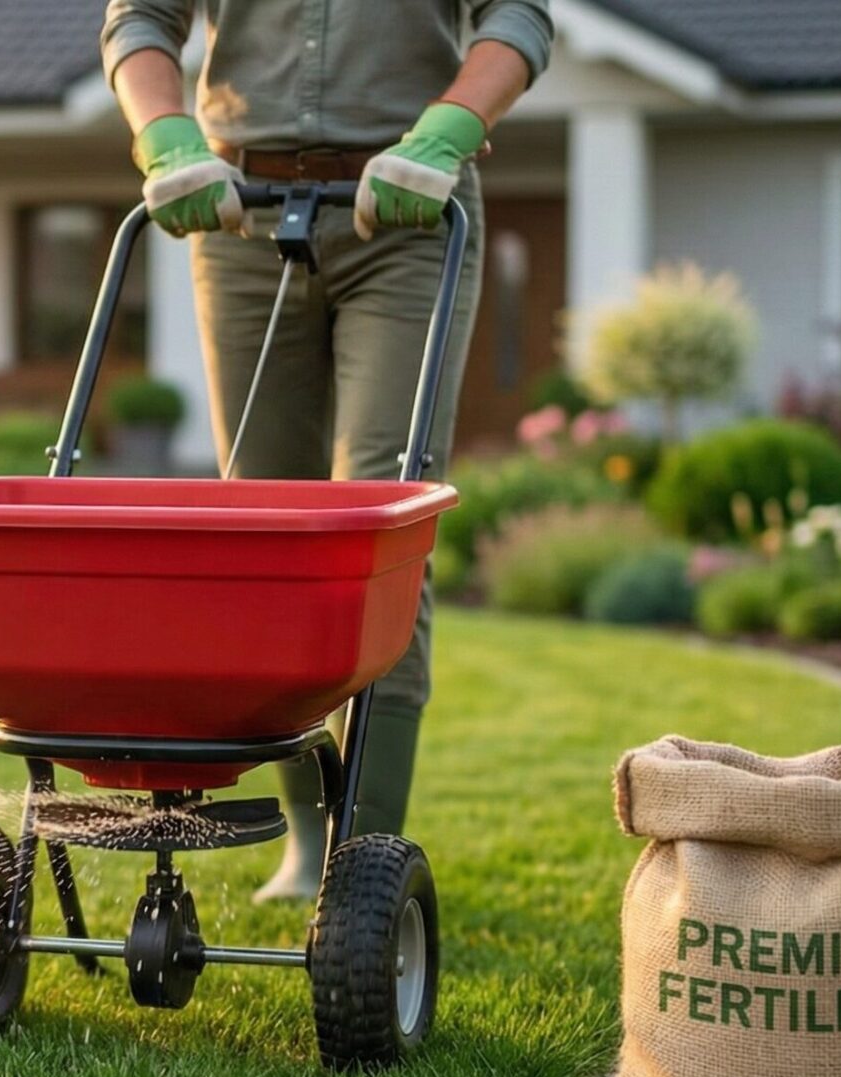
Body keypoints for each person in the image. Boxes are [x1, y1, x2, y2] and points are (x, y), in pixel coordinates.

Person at [100, 0, 551, 901]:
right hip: (238, 214)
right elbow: (140, 17)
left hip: (409, 209)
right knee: (264, 540)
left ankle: (362, 861)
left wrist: (448, 131)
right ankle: (308, 842)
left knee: (385, 530)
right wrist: (165, 139)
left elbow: (520, 17)